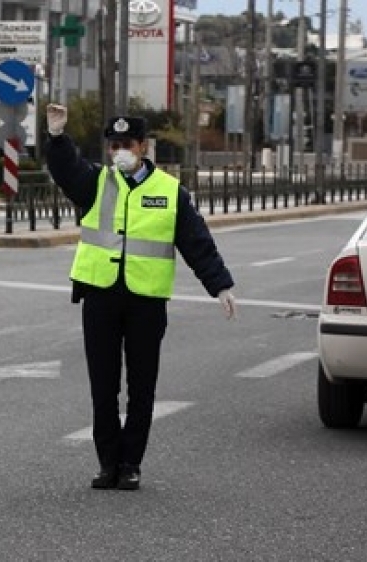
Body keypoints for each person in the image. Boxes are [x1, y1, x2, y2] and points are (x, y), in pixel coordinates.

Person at [45, 104, 237, 491]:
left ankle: (131, 463)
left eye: (126, 143)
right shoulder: (97, 182)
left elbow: (195, 241)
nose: (120, 151)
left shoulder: (169, 191)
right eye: (114, 144)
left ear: (143, 146)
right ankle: (107, 463)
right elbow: (67, 172)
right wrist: (57, 138)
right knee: (103, 386)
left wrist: (220, 284)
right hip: (100, 295)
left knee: (142, 388)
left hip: (146, 302)